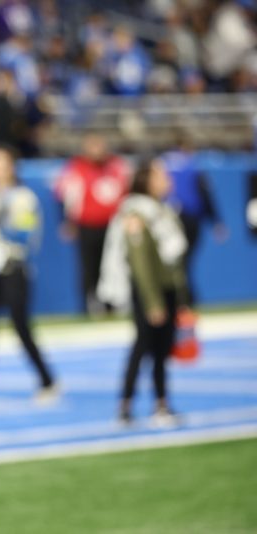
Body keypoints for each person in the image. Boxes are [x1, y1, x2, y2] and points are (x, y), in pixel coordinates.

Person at [98, 156, 188, 427]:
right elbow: (140, 263)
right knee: (142, 346)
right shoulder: (136, 212)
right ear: (146, 180)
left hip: (165, 289)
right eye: (160, 175)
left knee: (161, 350)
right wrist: (153, 301)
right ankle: (125, 405)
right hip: (149, 292)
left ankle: (161, 404)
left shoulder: (162, 209)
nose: (167, 180)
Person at [0, 145, 57, 406]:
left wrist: (4, 219)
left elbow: (26, 236)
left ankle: (47, 381)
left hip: (13, 270)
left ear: (12, 167)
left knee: (21, 328)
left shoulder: (24, 197)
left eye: (1, 165)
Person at [54, 133, 129, 315]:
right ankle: (89, 306)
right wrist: (67, 221)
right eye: (92, 146)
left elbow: (127, 193)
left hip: (113, 226)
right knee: (89, 267)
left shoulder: (117, 165)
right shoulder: (75, 167)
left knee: (113, 265)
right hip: (87, 226)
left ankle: (113, 304)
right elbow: (63, 195)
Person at [163, 133, 227, 304]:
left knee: (177, 260)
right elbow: (204, 194)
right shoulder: (192, 166)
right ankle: (185, 297)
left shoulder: (163, 163)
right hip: (188, 218)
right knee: (185, 260)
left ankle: (181, 295)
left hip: (168, 219)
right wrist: (216, 221)